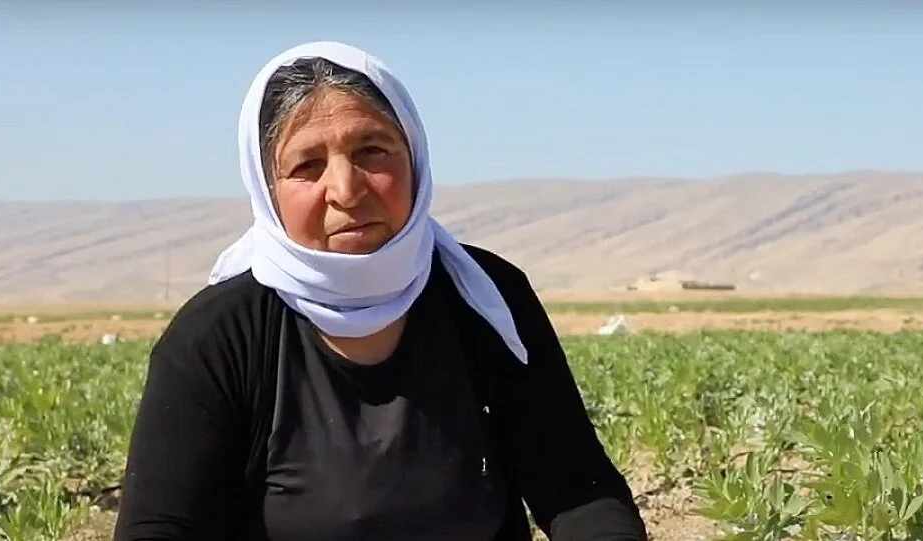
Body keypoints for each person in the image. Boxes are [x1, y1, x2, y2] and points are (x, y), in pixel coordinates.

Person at [113, 41, 648, 541]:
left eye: (372, 151)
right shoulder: (219, 338)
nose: (345, 190)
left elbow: (579, 492)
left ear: (414, 156)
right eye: (308, 166)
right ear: (266, 188)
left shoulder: (487, 300)